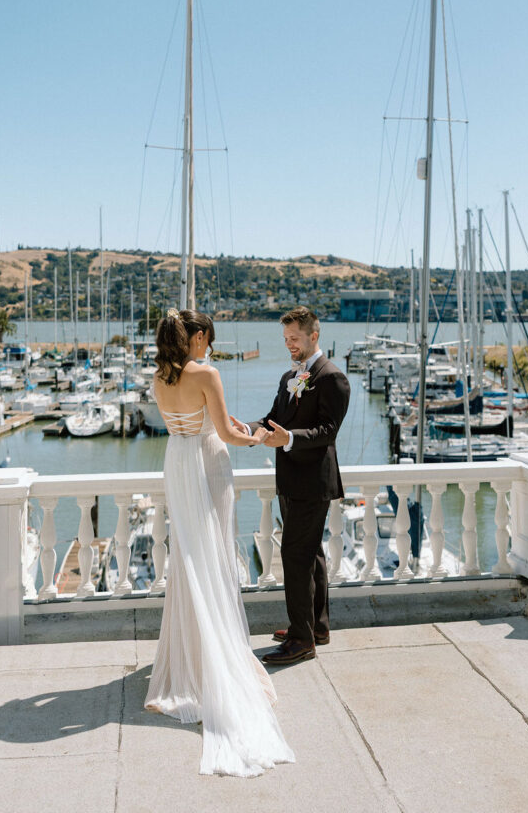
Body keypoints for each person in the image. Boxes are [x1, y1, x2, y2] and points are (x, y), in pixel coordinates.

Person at [144, 308, 294, 777]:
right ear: (200, 337)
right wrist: (260, 440)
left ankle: (189, 659)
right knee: (213, 555)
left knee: (190, 557)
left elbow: (188, 420)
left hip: (177, 461)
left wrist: (222, 423)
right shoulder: (206, 372)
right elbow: (226, 432)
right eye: (209, 338)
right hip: (207, 464)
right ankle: (218, 656)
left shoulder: (158, 378)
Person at [234, 306, 350, 665]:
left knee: (295, 558)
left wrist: (288, 439)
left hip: (312, 483)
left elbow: (327, 431)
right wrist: (248, 429)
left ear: (314, 336)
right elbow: (273, 419)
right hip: (291, 481)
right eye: (285, 339)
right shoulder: (290, 375)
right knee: (311, 556)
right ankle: (316, 627)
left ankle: (301, 640)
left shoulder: (332, 377)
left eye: (295, 339)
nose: (289, 345)